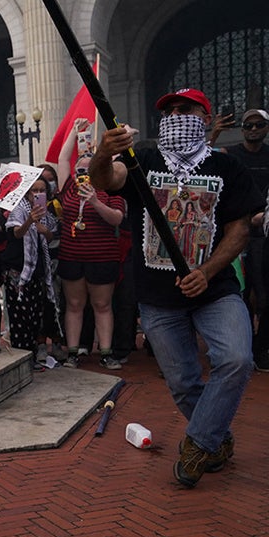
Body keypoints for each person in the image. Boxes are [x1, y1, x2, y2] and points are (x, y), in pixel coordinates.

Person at [90, 88, 265, 487]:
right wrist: (104, 152)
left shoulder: (226, 167)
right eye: (168, 110)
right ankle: (217, 439)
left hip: (216, 289)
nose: (174, 115)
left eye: (184, 110)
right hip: (157, 297)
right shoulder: (142, 162)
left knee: (236, 358)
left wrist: (208, 269)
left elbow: (239, 227)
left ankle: (200, 441)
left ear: (203, 117)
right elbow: (107, 178)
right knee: (184, 382)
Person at [56, 122, 128, 369]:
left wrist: (96, 201)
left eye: (89, 168)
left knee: (102, 305)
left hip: (102, 257)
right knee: (74, 305)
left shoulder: (111, 189)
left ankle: (106, 352)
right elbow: (63, 159)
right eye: (80, 169)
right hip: (72, 256)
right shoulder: (67, 187)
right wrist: (75, 133)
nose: (83, 173)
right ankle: (73, 352)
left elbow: (117, 218)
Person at [222, 110, 269, 370]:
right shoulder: (231, 154)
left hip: (263, 232)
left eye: (258, 124)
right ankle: (244, 346)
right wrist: (214, 135)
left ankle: (260, 348)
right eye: (248, 125)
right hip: (237, 231)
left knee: (263, 295)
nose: (253, 129)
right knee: (240, 291)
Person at [3, 177, 59, 367]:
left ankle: (33, 356)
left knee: (36, 317)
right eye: (34, 190)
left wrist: (43, 229)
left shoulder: (47, 213)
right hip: (19, 271)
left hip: (39, 271)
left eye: (42, 190)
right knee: (20, 319)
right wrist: (30, 221)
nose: (37, 193)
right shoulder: (18, 210)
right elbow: (16, 233)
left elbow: (52, 236)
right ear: (27, 192)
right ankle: (22, 359)